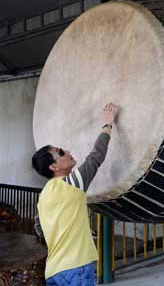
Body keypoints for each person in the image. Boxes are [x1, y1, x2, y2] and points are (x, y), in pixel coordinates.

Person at [32, 102, 118, 286]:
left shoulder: (44, 194)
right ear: (54, 167)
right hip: (76, 268)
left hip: (54, 271)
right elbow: (96, 156)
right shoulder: (71, 183)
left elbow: (39, 227)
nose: (68, 152)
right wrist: (108, 123)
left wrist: (76, 230)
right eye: (61, 153)